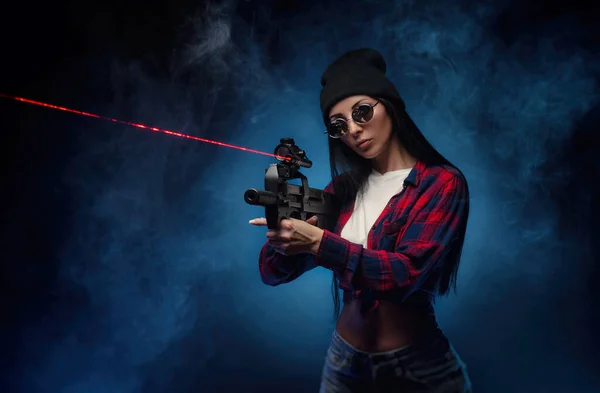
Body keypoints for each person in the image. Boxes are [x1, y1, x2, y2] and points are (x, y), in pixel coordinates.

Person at [249, 48, 472, 393]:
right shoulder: (342, 190)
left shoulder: (441, 183)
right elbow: (272, 274)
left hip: (416, 367)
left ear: (390, 106)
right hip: (344, 362)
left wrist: (319, 242)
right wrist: (283, 235)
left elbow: (405, 273)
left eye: (362, 112)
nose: (353, 129)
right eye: (339, 125)